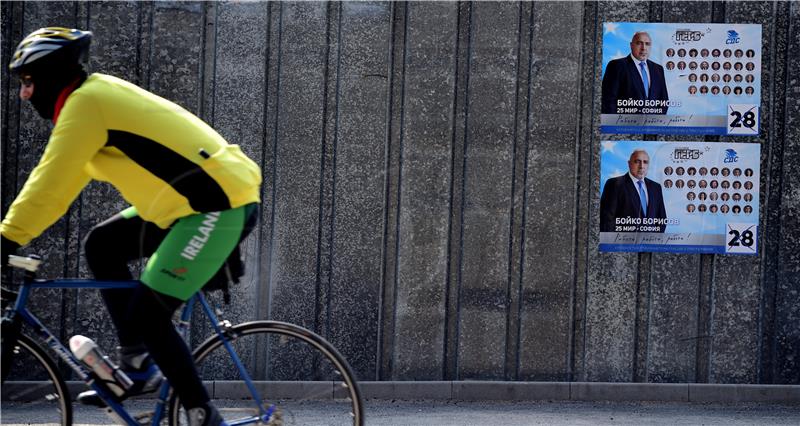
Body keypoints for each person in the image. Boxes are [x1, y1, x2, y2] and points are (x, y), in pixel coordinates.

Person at [0, 27, 262, 426]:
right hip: (186, 206)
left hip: (215, 206)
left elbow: (49, 184)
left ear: (52, 74)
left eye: (29, 81)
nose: (24, 93)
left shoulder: (87, 105)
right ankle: (137, 365)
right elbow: (60, 185)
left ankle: (201, 414)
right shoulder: (90, 98)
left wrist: (7, 238)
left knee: (148, 315)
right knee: (101, 244)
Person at [601, 31, 669, 114]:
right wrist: (617, 124)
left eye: (647, 44)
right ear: (631, 45)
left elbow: (664, 101)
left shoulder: (658, 69)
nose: (643, 48)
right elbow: (608, 101)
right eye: (639, 43)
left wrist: (655, 122)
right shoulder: (616, 66)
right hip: (624, 124)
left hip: (652, 124)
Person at [600, 149, 667, 232]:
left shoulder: (656, 187)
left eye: (645, 162)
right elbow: (606, 221)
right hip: (623, 243)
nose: (641, 166)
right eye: (637, 161)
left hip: (650, 243)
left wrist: (653, 242)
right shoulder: (614, 184)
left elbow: (662, 220)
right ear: (629, 164)